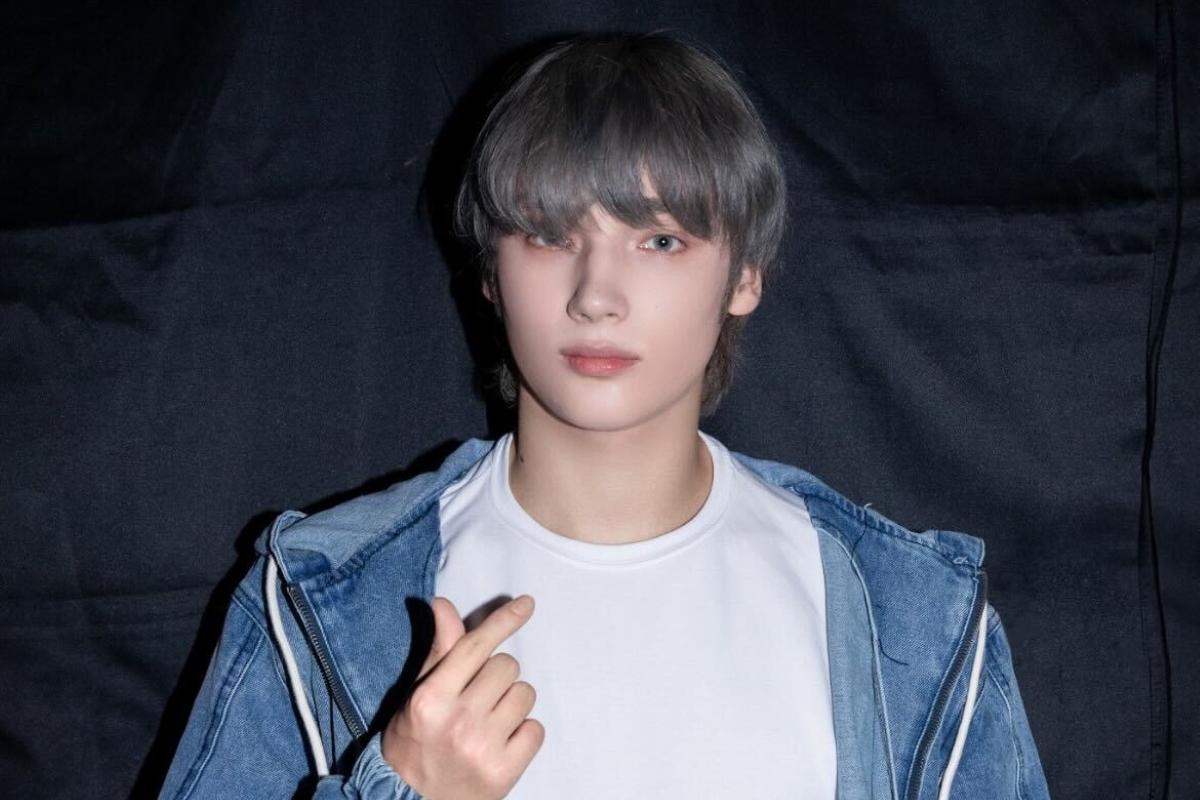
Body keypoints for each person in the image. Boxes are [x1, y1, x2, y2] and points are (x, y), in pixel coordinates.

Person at [160, 31, 1050, 800]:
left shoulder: (911, 615)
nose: (596, 295)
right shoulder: (321, 596)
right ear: (490, 271)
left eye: (659, 240)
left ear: (744, 275)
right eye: (549, 235)